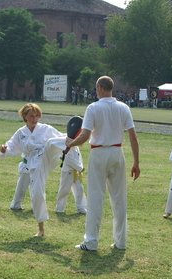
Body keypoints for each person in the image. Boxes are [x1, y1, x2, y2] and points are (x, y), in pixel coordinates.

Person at [66, 76, 140, 251]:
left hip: (99, 152)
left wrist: (70, 144)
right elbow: (133, 137)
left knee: (95, 197)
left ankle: (91, 241)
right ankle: (121, 242)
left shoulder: (93, 107)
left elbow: (84, 135)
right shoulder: (124, 107)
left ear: (99, 87)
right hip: (117, 152)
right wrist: (136, 162)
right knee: (119, 198)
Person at [0, 103, 64, 237]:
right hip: (27, 161)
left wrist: (77, 136)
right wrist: (5, 148)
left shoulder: (46, 129)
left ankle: (41, 228)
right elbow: (11, 144)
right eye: (31, 116)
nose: (34, 119)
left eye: (36, 116)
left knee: (37, 193)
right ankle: (16, 204)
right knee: (22, 184)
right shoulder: (21, 132)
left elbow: (61, 137)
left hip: (41, 161)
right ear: (25, 117)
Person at [55, 145, 87, 214]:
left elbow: (79, 158)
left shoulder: (76, 147)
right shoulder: (67, 148)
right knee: (64, 190)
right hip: (68, 171)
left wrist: (80, 167)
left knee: (80, 189)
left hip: (76, 172)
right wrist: (80, 168)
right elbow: (68, 160)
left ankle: (81, 208)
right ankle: (59, 208)